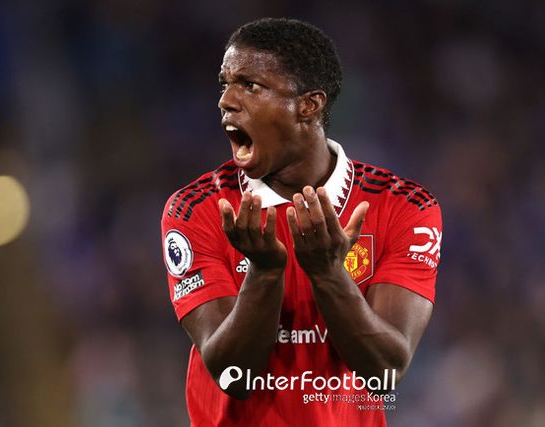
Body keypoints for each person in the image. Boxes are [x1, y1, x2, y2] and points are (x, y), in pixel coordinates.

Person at [160, 17, 442, 426]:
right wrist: (264, 272)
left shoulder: (404, 208)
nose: (226, 101)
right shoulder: (197, 209)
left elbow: (385, 372)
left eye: (250, 85)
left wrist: (328, 273)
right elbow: (233, 375)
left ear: (309, 105)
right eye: (225, 84)